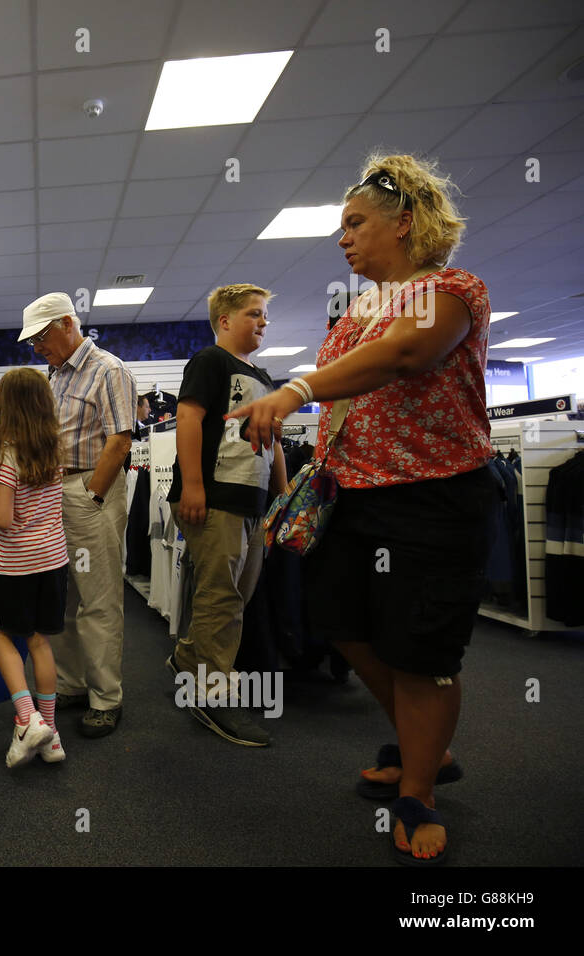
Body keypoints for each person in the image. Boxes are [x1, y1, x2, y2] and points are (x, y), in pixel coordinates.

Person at [228, 154, 500, 864]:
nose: (342, 238)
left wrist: (294, 389)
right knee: (341, 626)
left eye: (355, 223)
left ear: (405, 222)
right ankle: (425, 748)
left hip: (433, 497)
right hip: (350, 497)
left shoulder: (452, 288)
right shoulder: (354, 314)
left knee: (421, 654)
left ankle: (419, 789)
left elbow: (408, 355)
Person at [166, 284, 287, 747]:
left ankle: (189, 660)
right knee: (220, 598)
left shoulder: (265, 376)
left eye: (264, 316)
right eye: (254, 314)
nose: (262, 322)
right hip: (213, 498)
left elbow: (272, 441)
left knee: (237, 595)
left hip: (252, 503)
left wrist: (284, 496)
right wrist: (193, 485)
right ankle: (212, 696)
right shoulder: (210, 362)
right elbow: (189, 419)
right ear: (225, 321)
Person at [21, 292, 136, 738]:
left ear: (69, 323)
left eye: (41, 336)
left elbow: (120, 440)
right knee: (63, 597)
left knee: (99, 598)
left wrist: (92, 496)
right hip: (56, 491)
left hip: (89, 488)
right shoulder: (55, 376)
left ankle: (106, 697)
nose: (37, 346)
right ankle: (71, 684)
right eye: (32, 340)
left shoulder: (108, 369)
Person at [0, 368, 69, 766]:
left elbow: (3, 517)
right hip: (53, 561)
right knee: (40, 641)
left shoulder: (7, 453)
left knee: (0, 633)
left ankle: (28, 716)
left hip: (15, 564)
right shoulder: (55, 448)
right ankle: (50, 738)